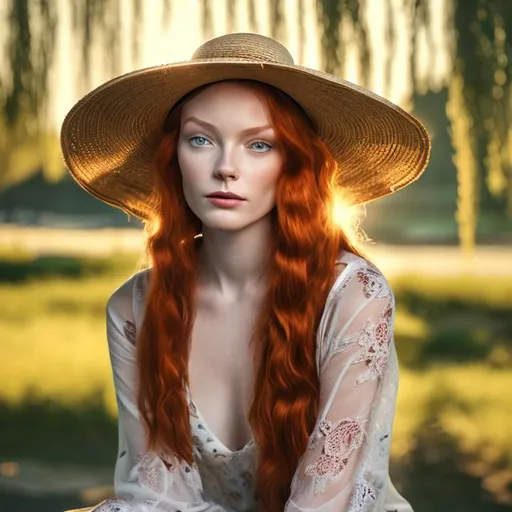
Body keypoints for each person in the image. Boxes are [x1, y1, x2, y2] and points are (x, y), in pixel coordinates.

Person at [61, 33, 430, 512]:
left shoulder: (352, 294)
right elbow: (158, 497)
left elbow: (324, 504)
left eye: (259, 145)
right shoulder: (133, 309)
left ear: (293, 164)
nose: (225, 168)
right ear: (173, 158)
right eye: (200, 139)